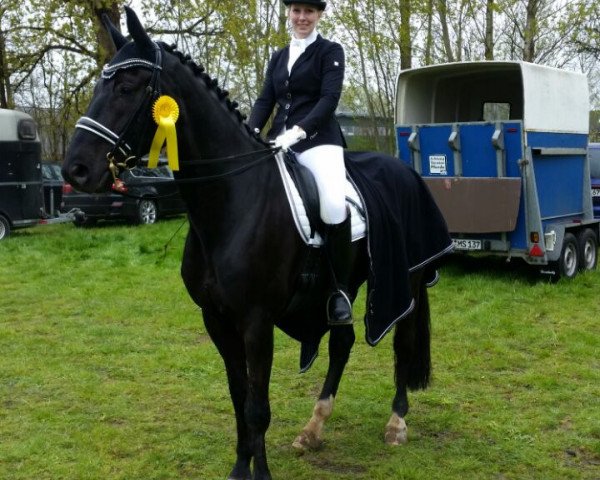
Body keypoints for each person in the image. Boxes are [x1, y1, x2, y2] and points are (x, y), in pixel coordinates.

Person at [248, 0, 352, 326]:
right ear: (289, 13)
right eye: (297, 11)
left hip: (319, 141)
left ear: (319, 14)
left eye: (309, 12)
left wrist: (299, 131)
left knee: (334, 204)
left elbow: (328, 101)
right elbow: (266, 99)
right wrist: (250, 131)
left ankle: (339, 290)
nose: (302, 18)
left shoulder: (330, 51)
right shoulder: (278, 57)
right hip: (278, 141)